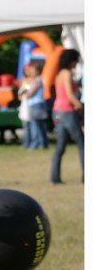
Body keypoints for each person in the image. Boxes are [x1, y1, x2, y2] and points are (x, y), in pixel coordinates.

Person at [50, 49, 84, 184]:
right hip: (67, 111)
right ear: (72, 60)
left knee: (60, 146)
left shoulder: (59, 74)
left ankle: (54, 178)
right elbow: (70, 95)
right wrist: (81, 107)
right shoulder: (67, 74)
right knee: (82, 143)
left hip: (57, 112)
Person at [26, 62, 48, 149]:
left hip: (36, 105)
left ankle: (35, 144)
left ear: (37, 71)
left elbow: (30, 94)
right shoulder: (39, 80)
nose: (31, 73)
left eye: (32, 71)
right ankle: (43, 143)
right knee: (40, 125)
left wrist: (26, 93)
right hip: (39, 105)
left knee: (35, 125)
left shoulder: (36, 81)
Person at [18, 64, 33, 148]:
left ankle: (29, 142)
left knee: (30, 125)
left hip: (30, 105)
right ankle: (26, 142)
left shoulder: (33, 81)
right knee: (26, 125)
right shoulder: (24, 81)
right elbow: (20, 96)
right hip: (25, 105)